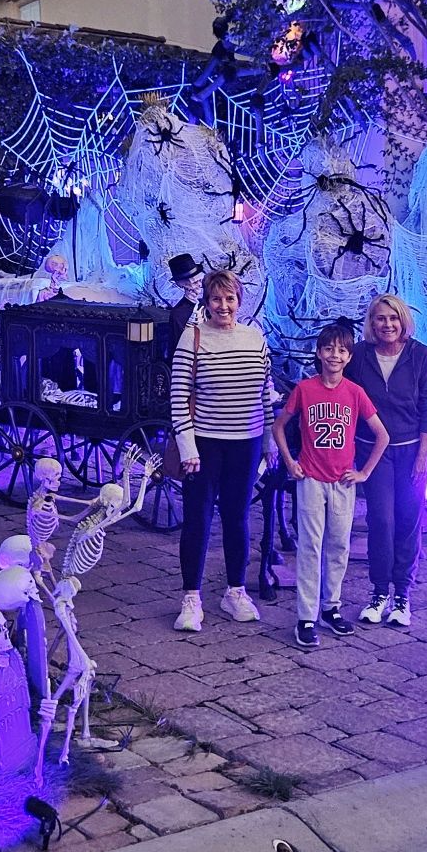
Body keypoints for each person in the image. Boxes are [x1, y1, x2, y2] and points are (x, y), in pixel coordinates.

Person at [170, 270, 276, 632]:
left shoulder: (254, 337)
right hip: (205, 445)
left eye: (230, 299)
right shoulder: (192, 337)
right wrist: (187, 446)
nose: (223, 306)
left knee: (237, 518)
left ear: (239, 301)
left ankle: (234, 591)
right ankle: (191, 597)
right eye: (217, 298)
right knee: (197, 519)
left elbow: (266, 391)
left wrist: (268, 441)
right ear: (207, 301)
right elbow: (179, 395)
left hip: (245, 444)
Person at [273, 323, 388, 649]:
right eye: (328, 349)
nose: (334, 355)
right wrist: (290, 461)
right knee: (310, 547)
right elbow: (279, 425)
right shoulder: (305, 390)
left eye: (341, 350)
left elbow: (383, 435)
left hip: (342, 481)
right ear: (319, 353)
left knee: (339, 547)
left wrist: (364, 472)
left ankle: (330, 607)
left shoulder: (354, 393)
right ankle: (306, 616)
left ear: (348, 356)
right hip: (310, 479)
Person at [345, 294, 427, 628]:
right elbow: (344, 395)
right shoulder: (358, 355)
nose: (387, 325)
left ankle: (402, 596)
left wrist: (424, 453)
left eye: (393, 318)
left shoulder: (420, 356)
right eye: (380, 319)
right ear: (372, 323)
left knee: (408, 520)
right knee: (381, 520)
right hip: (374, 451)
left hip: (412, 449)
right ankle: (378, 592)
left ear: (403, 321)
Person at [158, 254, 204, 364]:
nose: (198, 286)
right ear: (183, 285)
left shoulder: (207, 302)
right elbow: (176, 342)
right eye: (193, 282)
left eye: (198, 281)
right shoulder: (178, 313)